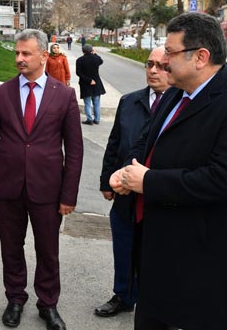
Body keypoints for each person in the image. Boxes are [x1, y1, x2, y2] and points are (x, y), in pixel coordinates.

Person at [110, 12, 227, 330]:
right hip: (158, 254)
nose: (164, 61)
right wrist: (125, 172)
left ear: (200, 57)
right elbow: (143, 145)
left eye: (170, 52)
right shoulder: (174, 95)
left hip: (207, 263)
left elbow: (225, 179)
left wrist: (148, 182)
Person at [0, 29, 83, 330]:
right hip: (7, 187)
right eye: (17, 53)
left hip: (48, 189)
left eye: (26, 53)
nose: (19, 59)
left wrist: (68, 196)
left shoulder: (63, 95)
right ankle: (15, 298)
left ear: (43, 55)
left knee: (48, 250)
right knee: (10, 247)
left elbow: (74, 151)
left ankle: (48, 304)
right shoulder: (1, 93)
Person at [95, 47, 169, 318]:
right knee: (124, 246)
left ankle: (155, 301)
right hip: (124, 191)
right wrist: (106, 181)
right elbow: (114, 143)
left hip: (160, 194)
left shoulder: (180, 106)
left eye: (161, 66)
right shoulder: (130, 101)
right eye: (149, 64)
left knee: (155, 252)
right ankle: (123, 295)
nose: (153, 70)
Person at [75, 43, 106, 125]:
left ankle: (89, 119)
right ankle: (97, 119)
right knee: (97, 103)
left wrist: (89, 80)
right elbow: (101, 61)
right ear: (91, 50)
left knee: (87, 103)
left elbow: (78, 73)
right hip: (96, 83)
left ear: (83, 51)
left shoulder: (79, 60)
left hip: (85, 84)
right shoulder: (96, 58)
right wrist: (95, 53)